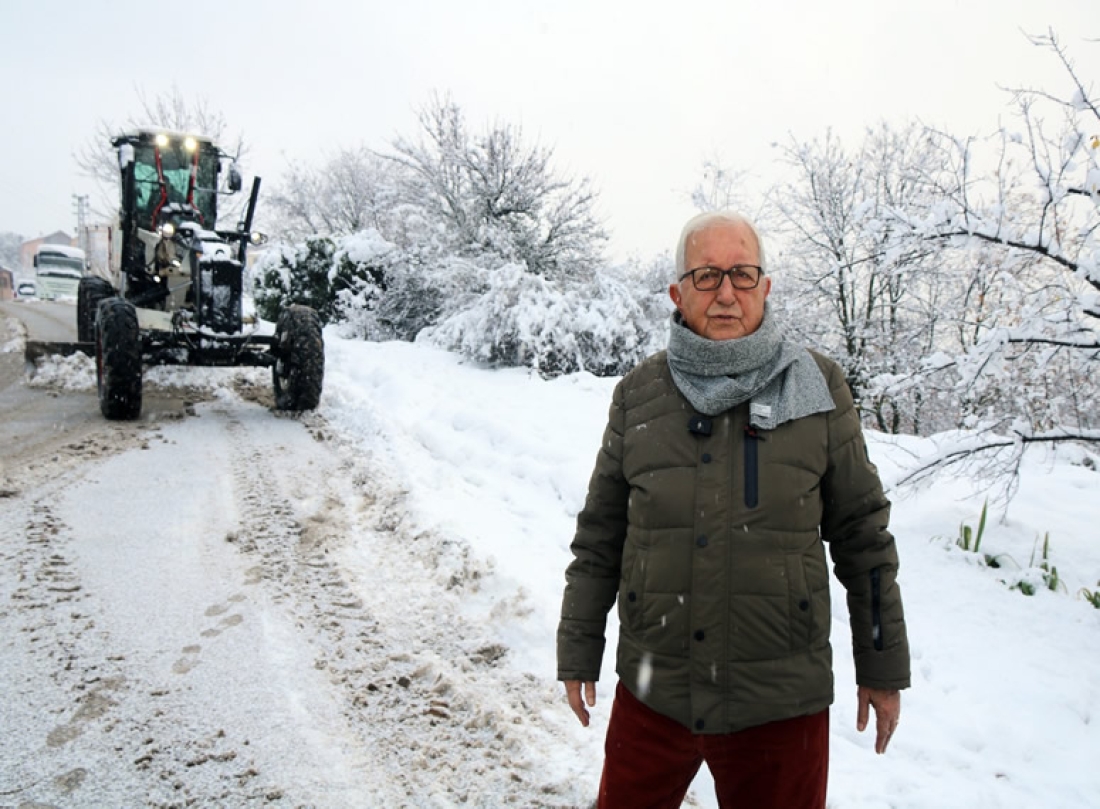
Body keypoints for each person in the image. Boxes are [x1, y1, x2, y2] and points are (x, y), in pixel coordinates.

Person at [556, 211, 910, 808]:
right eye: (707, 275)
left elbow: (862, 535)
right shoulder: (639, 394)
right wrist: (578, 648)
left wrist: (880, 664)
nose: (726, 293)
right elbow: (600, 536)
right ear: (677, 292)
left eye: (742, 275)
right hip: (655, 688)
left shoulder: (816, 387)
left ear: (765, 287)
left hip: (779, 700)